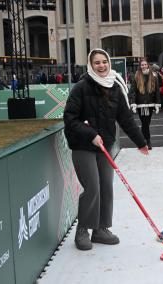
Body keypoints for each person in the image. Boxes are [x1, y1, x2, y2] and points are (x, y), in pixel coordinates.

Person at [63, 48, 149, 251]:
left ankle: (101, 229)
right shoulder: (81, 88)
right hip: (83, 145)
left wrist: (141, 142)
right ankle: (83, 229)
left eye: (104, 62)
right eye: (97, 63)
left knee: (106, 187)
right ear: (90, 66)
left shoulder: (114, 87)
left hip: (105, 145)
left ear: (109, 63)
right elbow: (70, 118)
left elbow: (126, 119)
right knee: (92, 187)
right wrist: (90, 134)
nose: (101, 66)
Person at [129, 58, 161, 150]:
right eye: (142, 65)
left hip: (150, 104)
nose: (143, 66)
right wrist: (133, 103)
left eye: (145, 64)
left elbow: (157, 91)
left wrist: (157, 103)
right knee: (145, 123)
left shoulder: (154, 76)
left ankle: (143, 141)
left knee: (146, 123)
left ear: (148, 65)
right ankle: (147, 141)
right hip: (141, 104)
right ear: (140, 66)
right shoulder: (136, 76)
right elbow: (133, 91)